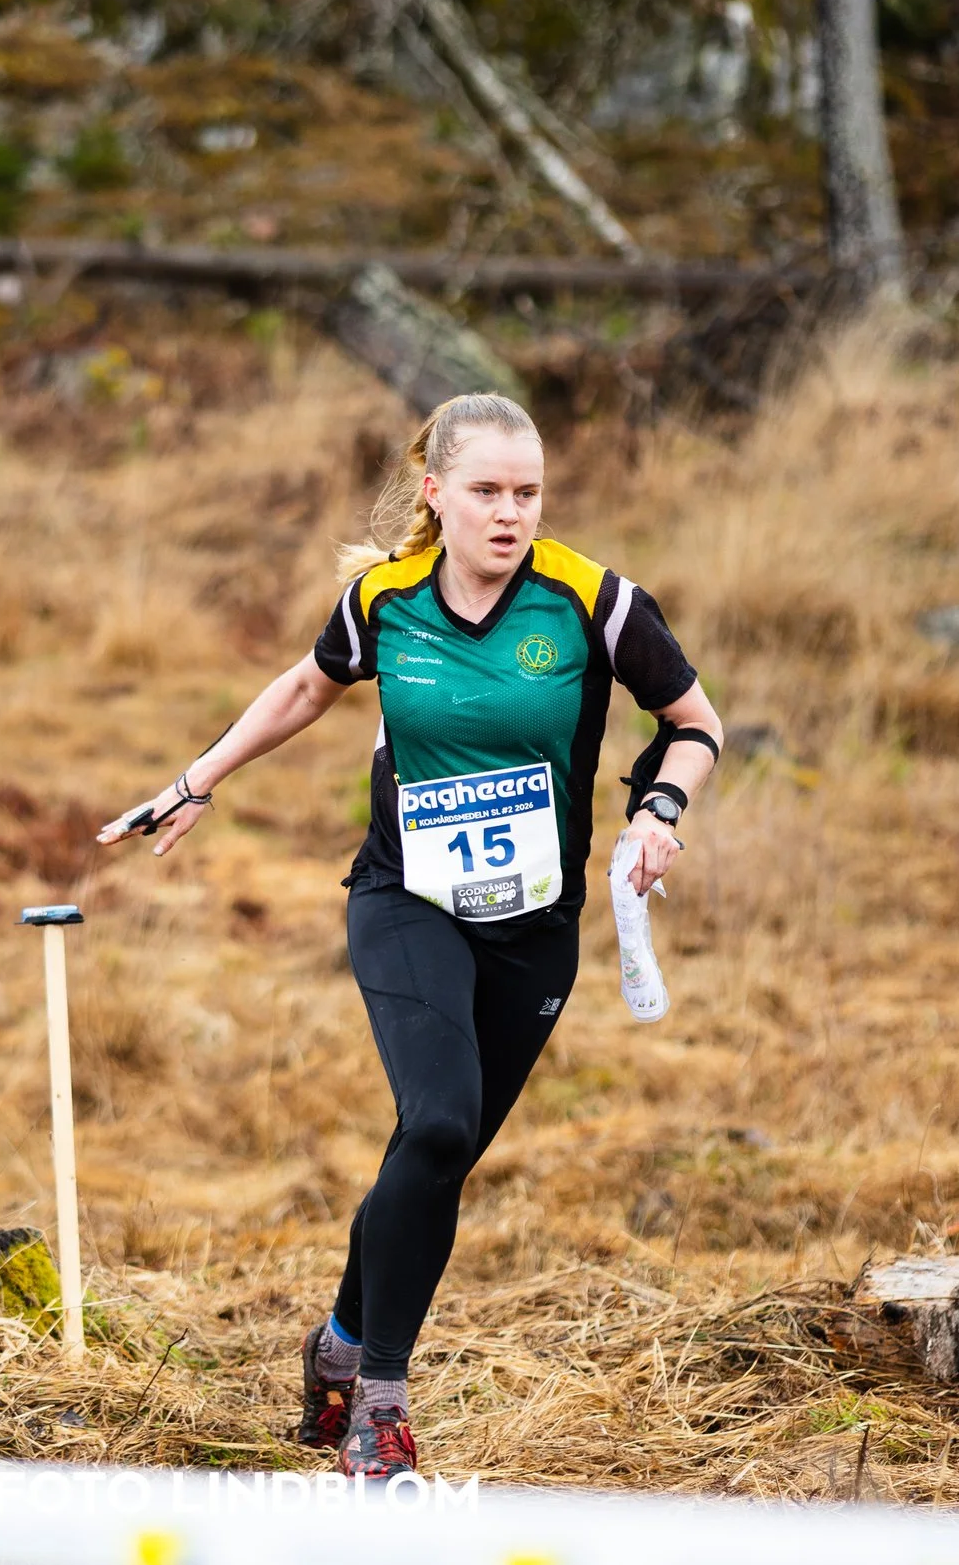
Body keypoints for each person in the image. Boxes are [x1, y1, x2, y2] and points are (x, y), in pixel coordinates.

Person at [97, 393, 721, 1479]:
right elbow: (305, 686)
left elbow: (694, 725)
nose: (510, 512)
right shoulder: (384, 600)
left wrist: (659, 810)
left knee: (437, 1154)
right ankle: (377, 1407)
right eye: (486, 490)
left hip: (532, 923)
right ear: (435, 491)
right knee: (435, 1122)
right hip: (405, 898)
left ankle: (339, 1337)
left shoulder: (593, 603)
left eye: (527, 492)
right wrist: (194, 782)